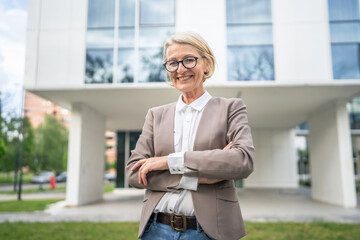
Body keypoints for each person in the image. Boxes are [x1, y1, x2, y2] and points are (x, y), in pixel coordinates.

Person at [126, 31, 255, 240]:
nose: (180, 69)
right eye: (172, 63)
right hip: (156, 229)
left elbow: (242, 161)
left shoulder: (231, 108)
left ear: (206, 64)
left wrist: (167, 162)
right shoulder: (155, 115)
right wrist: (200, 176)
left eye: (188, 60)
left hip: (209, 232)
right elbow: (134, 173)